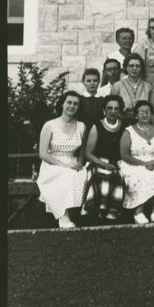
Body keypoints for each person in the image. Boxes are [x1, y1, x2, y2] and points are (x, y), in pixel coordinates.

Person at [37, 91, 90, 229]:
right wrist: (63, 165)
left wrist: (79, 162)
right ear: (62, 104)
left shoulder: (81, 126)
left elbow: (82, 152)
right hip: (52, 163)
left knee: (83, 174)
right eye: (69, 102)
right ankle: (63, 216)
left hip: (72, 162)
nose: (72, 106)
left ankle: (81, 211)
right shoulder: (49, 125)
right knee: (66, 174)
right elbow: (43, 154)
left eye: (75, 104)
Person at [118, 100, 154, 224]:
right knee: (143, 174)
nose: (145, 115)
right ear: (136, 115)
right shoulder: (129, 131)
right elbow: (124, 154)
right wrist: (142, 164)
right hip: (132, 162)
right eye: (142, 112)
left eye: (148, 112)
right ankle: (139, 211)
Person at [83, 95, 127, 222]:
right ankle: (96, 211)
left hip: (118, 162)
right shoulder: (97, 126)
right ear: (104, 110)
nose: (113, 111)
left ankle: (111, 213)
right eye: (109, 108)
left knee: (117, 176)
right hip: (97, 161)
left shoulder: (124, 126)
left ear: (120, 111)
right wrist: (103, 164)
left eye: (116, 108)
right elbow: (88, 153)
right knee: (99, 175)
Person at [112, 54, 153, 125]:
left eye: (138, 66)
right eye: (131, 66)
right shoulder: (117, 86)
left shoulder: (148, 87)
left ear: (141, 68)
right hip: (122, 124)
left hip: (143, 123)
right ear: (126, 68)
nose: (134, 68)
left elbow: (151, 110)